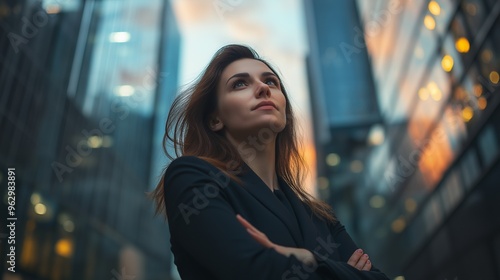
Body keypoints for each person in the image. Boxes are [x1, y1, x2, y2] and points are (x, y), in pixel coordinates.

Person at [150, 44, 390, 280]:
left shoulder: (319, 216)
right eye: (240, 84)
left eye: (271, 81)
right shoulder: (192, 176)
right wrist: (342, 271)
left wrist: (305, 258)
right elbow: (253, 271)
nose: (263, 88)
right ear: (215, 120)